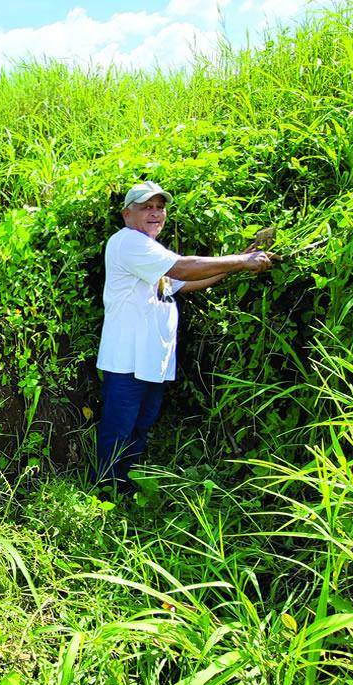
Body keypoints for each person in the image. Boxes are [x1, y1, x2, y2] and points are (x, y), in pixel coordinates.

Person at [94, 180, 275, 492]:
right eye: (146, 207)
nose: (155, 213)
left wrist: (235, 266)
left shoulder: (153, 252)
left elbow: (184, 283)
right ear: (127, 214)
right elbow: (182, 268)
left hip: (152, 361)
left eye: (160, 207)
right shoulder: (127, 242)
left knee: (141, 426)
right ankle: (106, 489)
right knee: (119, 428)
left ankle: (125, 488)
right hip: (126, 360)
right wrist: (240, 261)